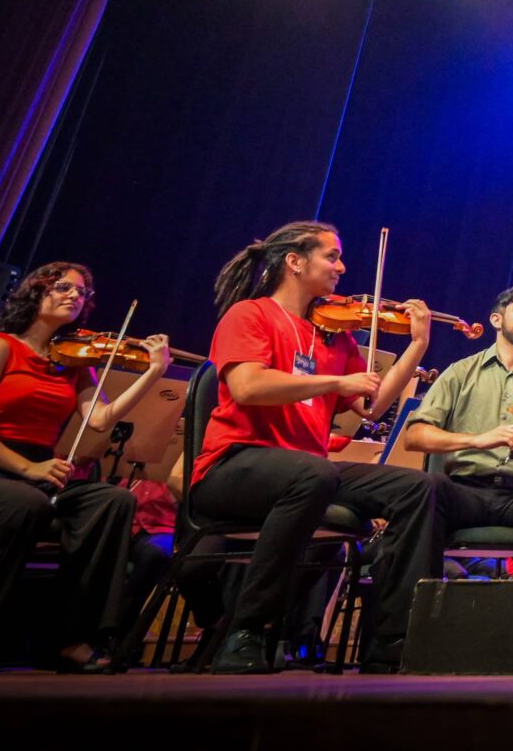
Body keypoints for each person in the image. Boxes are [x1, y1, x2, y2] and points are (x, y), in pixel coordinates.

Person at [188, 221, 446, 673]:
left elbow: (371, 405)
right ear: (294, 261)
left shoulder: (334, 335)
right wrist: (334, 381)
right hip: (233, 466)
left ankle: (393, 641)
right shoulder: (250, 315)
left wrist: (417, 345)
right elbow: (248, 387)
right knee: (315, 474)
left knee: (418, 487)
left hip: (306, 472)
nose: (341, 267)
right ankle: (247, 630)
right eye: (332, 256)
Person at [0, 262, 164, 671]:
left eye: (82, 292)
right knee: (26, 504)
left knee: (114, 501)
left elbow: (99, 419)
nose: (75, 296)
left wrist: (153, 372)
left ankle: (69, 638)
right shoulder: (0, 347)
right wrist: (27, 468)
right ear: (36, 292)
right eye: (63, 287)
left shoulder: (73, 361)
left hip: (37, 477)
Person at [402, 282, 513, 573]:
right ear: (496, 320)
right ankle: (424, 590)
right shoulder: (461, 372)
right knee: (428, 487)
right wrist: (478, 440)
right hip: (465, 491)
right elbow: (414, 436)